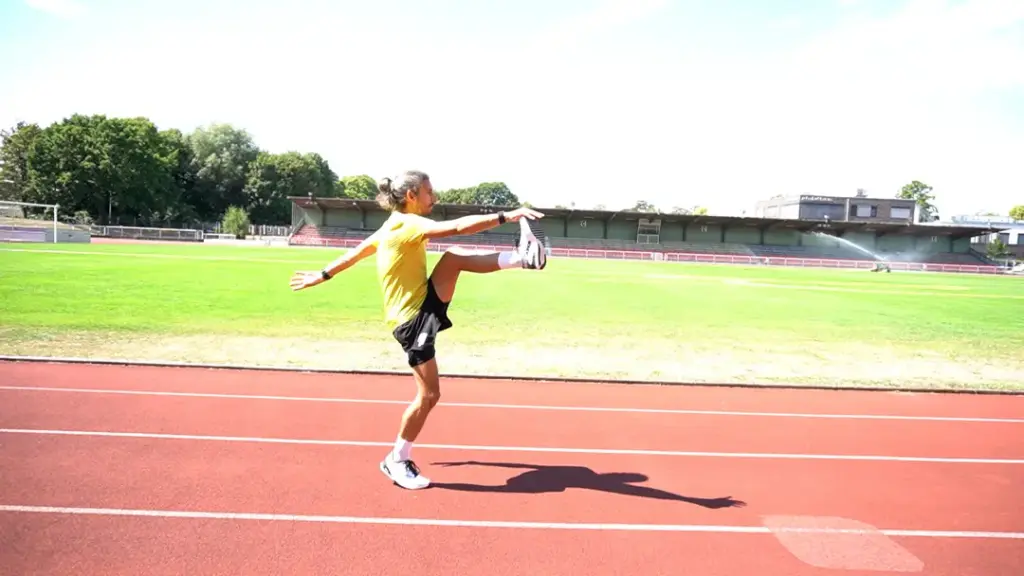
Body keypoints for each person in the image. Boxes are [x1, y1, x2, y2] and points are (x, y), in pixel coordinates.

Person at [289, 170, 548, 490]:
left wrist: (324, 274)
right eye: (429, 192)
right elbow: (455, 227)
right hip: (411, 323)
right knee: (430, 394)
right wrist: (506, 215)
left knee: (452, 260)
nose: (434, 197)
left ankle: (522, 259)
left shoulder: (392, 225)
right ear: (411, 196)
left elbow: (356, 253)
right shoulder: (408, 223)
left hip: (424, 302)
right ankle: (396, 459)